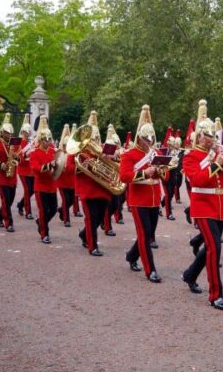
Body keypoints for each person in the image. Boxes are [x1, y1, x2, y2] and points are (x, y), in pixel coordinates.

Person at [181, 100, 223, 311]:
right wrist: (216, 162)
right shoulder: (190, 156)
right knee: (215, 248)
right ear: (199, 136)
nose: (211, 140)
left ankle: (190, 274)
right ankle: (216, 294)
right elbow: (198, 180)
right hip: (202, 207)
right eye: (208, 136)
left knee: (209, 247)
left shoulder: (216, 154)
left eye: (213, 136)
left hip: (218, 207)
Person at [119, 105, 166, 283]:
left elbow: (165, 174)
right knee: (145, 234)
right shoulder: (129, 154)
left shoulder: (156, 152)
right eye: (146, 139)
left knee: (148, 234)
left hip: (154, 198)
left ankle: (131, 256)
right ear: (139, 138)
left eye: (151, 138)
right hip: (139, 200)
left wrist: (162, 170)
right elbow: (124, 176)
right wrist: (143, 173)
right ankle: (150, 270)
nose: (149, 142)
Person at [75, 111, 113, 256]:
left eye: (97, 137)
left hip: (102, 189)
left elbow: (112, 168)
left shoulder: (103, 150)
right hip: (88, 190)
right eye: (93, 138)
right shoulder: (80, 152)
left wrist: (108, 159)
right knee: (92, 218)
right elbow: (71, 167)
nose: (96, 140)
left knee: (98, 218)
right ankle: (93, 246)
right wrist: (88, 164)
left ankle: (84, 235)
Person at [28, 116, 59, 244]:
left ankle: (40, 222)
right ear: (40, 140)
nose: (48, 142)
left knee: (53, 209)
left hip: (51, 185)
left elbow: (59, 165)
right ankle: (44, 233)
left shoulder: (53, 151)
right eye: (46, 140)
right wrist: (50, 165)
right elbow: (35, 169)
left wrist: (58, 164)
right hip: (40, 186)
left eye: (49, 140)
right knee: (43, 210)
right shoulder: (34, 152)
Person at [56, 124, 77, 227]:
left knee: (72, 200)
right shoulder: (59, 153)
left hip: (71, 181)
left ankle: (61, 210)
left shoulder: (72, 155)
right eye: (65, 145)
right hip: (62, 181)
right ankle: (66, 220)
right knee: (65, 200)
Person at [16, 114, 35, 220]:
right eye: (26, 132)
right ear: (22, 132)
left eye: (29, 132)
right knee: (28, 190)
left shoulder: (31, 143)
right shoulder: (19, 143)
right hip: (23, 170)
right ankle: (28, 211)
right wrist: (26, 155)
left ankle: (20, 204)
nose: (27, 134)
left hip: (30, 170)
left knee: (32, 190)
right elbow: (18, 158)